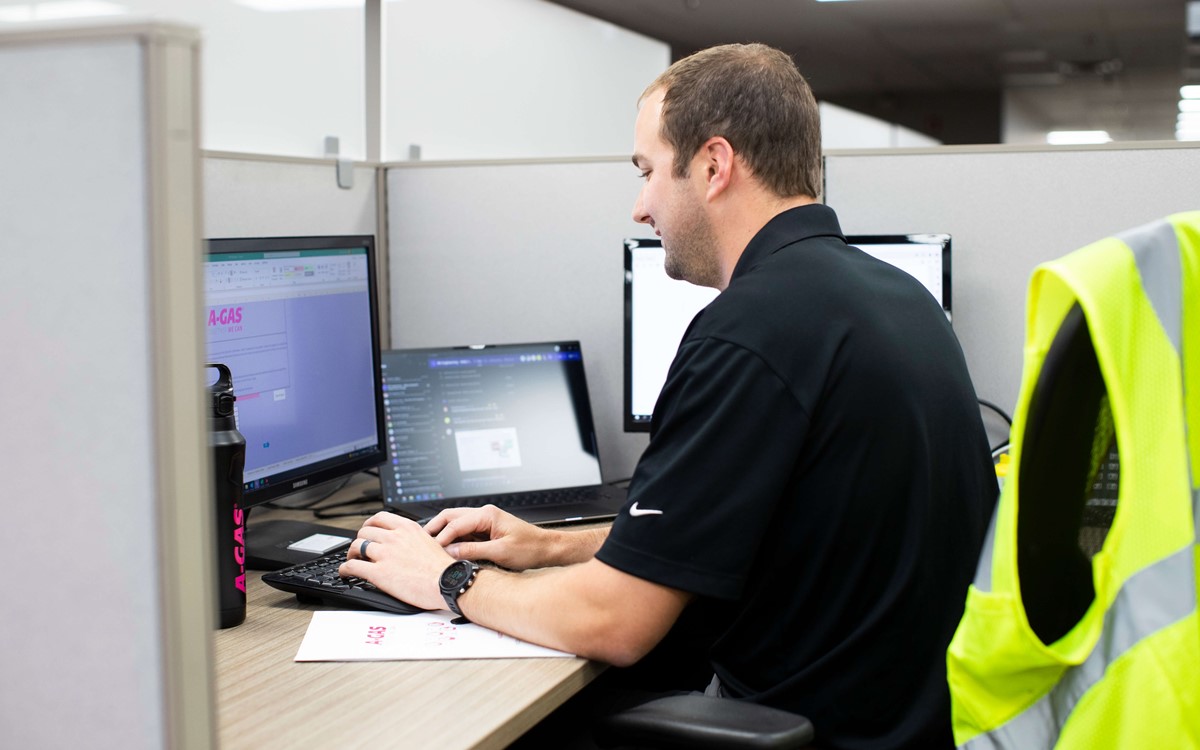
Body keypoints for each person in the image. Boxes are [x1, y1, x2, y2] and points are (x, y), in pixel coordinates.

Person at [341, 43, 996, 749]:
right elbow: (748, 536)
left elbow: (614, 624)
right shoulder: (899, 298)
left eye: (648, 171)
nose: (640, 206)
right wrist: (545, 548)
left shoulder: (748, 332)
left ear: (713, 165)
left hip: (806, 729)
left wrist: (446, 577)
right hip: (909, 723)